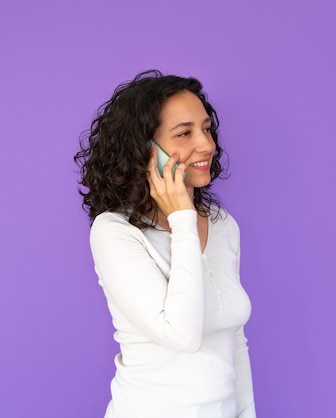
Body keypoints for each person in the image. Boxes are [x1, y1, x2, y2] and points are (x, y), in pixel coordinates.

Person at [74, 70, 256, 418]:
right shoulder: (113, 231)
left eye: (206, 129)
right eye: (184, 133)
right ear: (145, 151)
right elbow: (183, 334)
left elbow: (235, 342)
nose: (206, 145)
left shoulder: (223, 226)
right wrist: (182, 217)